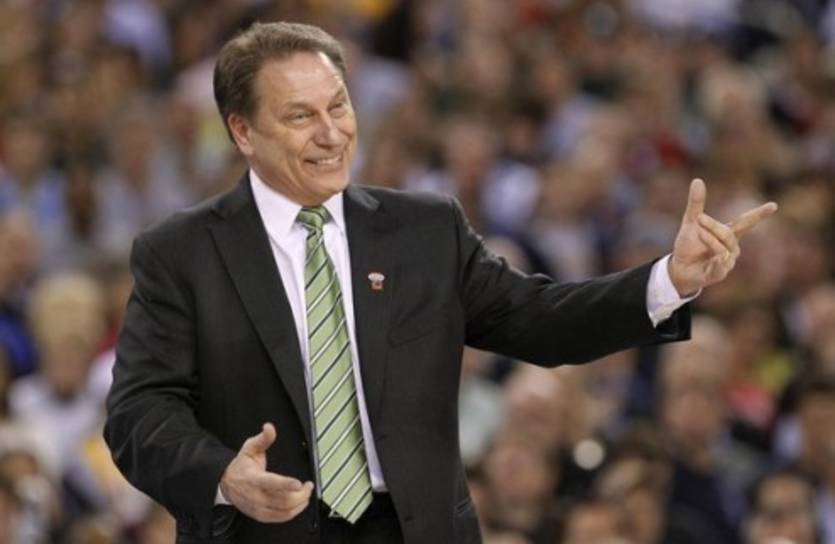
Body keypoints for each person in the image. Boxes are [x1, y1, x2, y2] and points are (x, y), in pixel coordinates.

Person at [103, 21, 777, 543]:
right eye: (301, 116)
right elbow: (138, 414)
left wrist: (668, 279)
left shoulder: (424, 230)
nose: (332, 134)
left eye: (339, 106)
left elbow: (542, 321)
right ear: (243, 132)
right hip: (263, 532)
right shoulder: (180, 253)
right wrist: (222, 474)